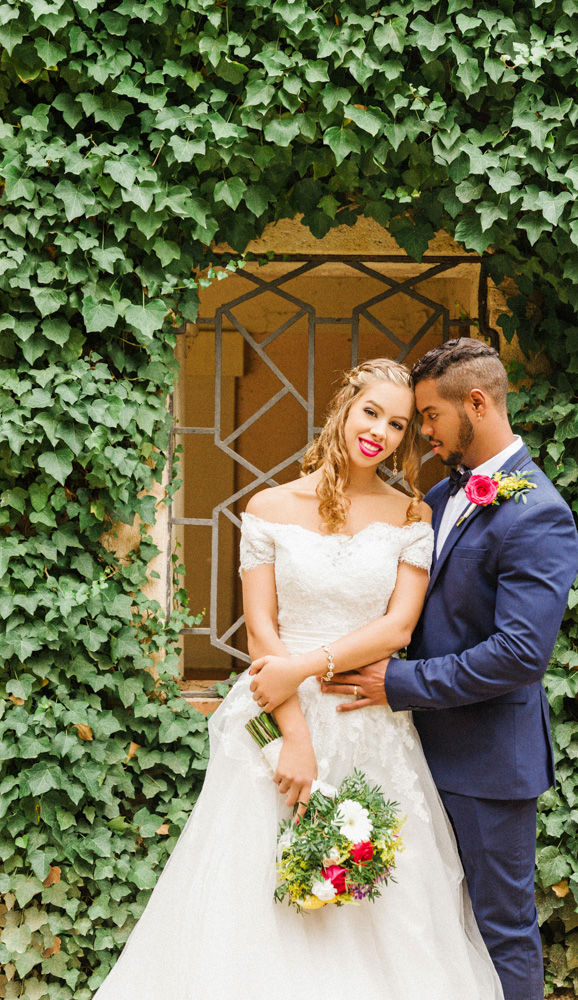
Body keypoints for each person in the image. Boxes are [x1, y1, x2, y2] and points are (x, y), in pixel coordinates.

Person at [93, 358, 503, 1000]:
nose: (382, 432)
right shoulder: (269, 506)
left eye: (398, 424)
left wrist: (307, 669)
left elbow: (397, 629)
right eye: (372, 412)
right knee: (254, 904)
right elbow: (262, 635)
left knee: (380, 902)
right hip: (275, 717)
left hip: (365, 717)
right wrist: (295, 738)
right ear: (344, 406)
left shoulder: (409, 516)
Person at [313, 339, 578, 1000]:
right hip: (409, 753)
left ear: (477, 402)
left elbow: (519, 654)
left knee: (499, 927)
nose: (421, 431)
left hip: (487, 765)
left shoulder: (539, 515)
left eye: (428, 416)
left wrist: (396, 684)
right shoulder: (439, 493)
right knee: (423, 928)